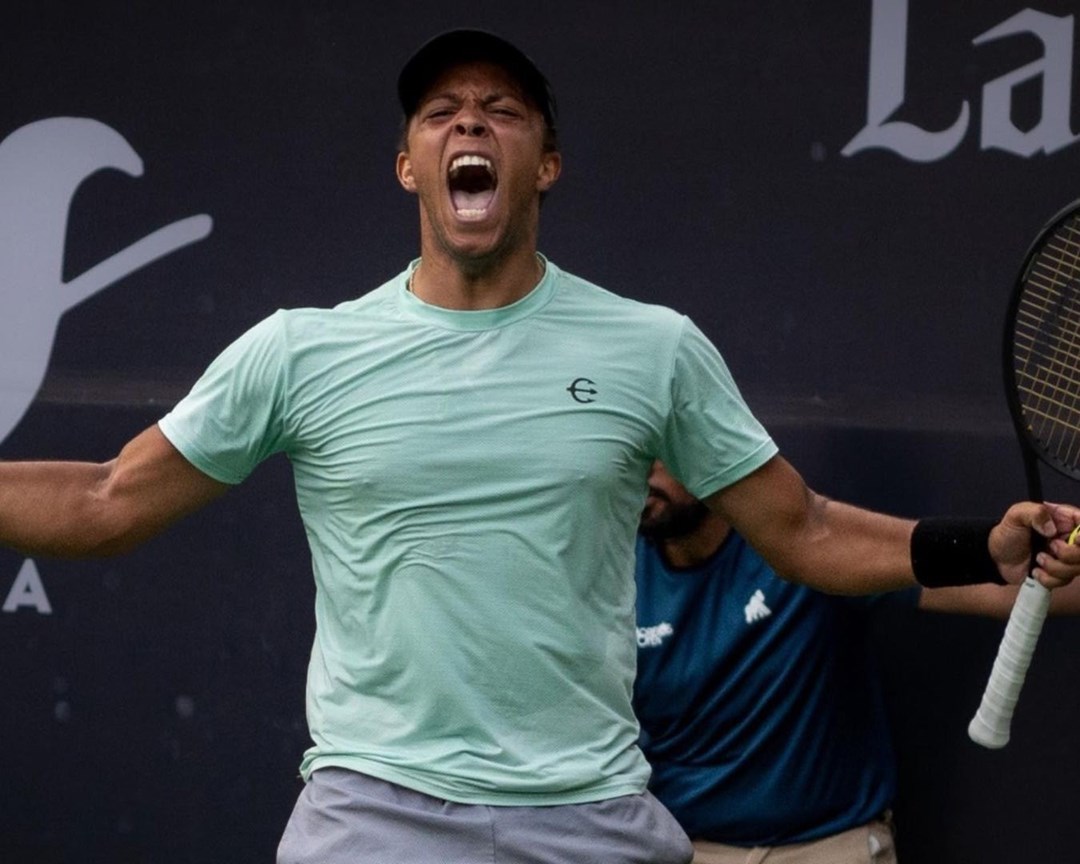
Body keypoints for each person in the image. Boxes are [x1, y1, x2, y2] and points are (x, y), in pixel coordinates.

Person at [1, 28, 1079, 864]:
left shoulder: (654, 349)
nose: (470, 125)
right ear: (410, 165)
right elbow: (105, 500)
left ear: (545, 163)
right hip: (373, 814)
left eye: (501, 111)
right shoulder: (300, 352)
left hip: (588, 816)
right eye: (441, 113)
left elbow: (803, 531)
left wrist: (973, 548)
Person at [634, 460, 1080, 864]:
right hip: (682, 847)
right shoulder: (602, 570)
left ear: (707, 448)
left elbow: (1000, 586)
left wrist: (1064, 561)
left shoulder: (812, 548)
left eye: (655, 452)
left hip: (831, 847)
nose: (640, 472)